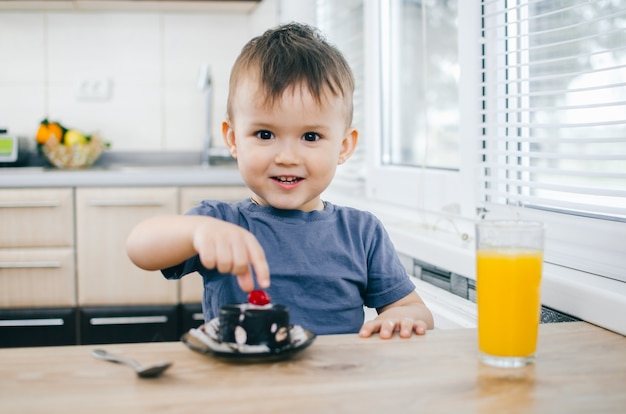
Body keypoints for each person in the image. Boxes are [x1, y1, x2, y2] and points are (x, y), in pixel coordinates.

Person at [126, 22, 434, 338]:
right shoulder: (222, 223)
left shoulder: (362, 232)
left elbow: (412, 307)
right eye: (265, 134)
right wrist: (197, 231)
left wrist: (402, 318)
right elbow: (140, 247)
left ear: (343, 146)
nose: (287, 156)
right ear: (233, 140)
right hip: (243, 384)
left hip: (335, 383)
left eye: (310, 136)